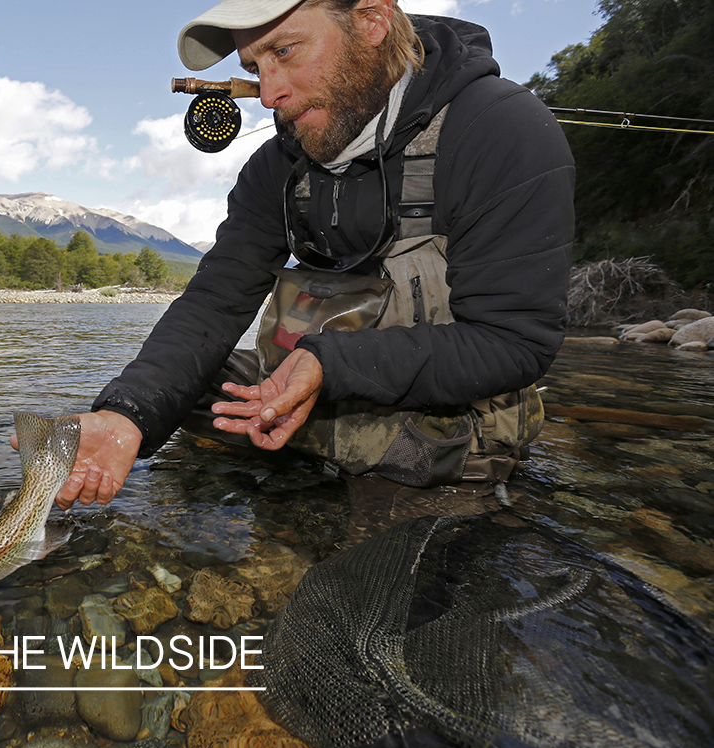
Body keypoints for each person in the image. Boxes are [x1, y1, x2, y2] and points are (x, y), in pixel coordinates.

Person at [38, 0, 574, 509]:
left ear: (371, 20)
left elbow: (516, 343)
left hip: (446, 413)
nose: (268, 94)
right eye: (254, 64)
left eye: (285, 51)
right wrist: (127, 414)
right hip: (315, 388)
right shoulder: (276, 166)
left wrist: (327, 362)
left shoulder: (501, 129)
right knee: (184, 384)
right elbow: (216, 300)